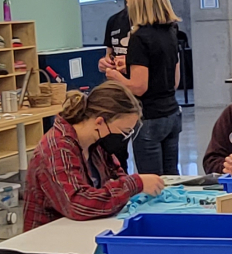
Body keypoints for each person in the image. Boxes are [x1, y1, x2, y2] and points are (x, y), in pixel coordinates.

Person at [23, 82, 166, 227]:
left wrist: (130, 187)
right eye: (124, 132)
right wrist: (135, 184)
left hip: (82, 230)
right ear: (99, 122)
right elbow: (78, 204)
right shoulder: (58, 149)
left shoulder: (97, 146)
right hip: (49, 239)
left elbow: (117, 177)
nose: (124, 138)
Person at [104, 0, 182, 176]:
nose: (127, 6)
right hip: (172, 113)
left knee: (151, 181)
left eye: (129, 1)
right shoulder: (171, 32)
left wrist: (114, 75)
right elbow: (174, 79)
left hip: (149, 117)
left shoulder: (139, 37)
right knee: (171, 178)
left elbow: (139, 87)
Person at [97, 0, 150, 168]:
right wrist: (105, 63)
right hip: (117, 97)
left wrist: (127, 65)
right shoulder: (114, 21)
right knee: (114, 152)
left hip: (144, 98)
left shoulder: (151, 23)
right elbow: (108, 53)